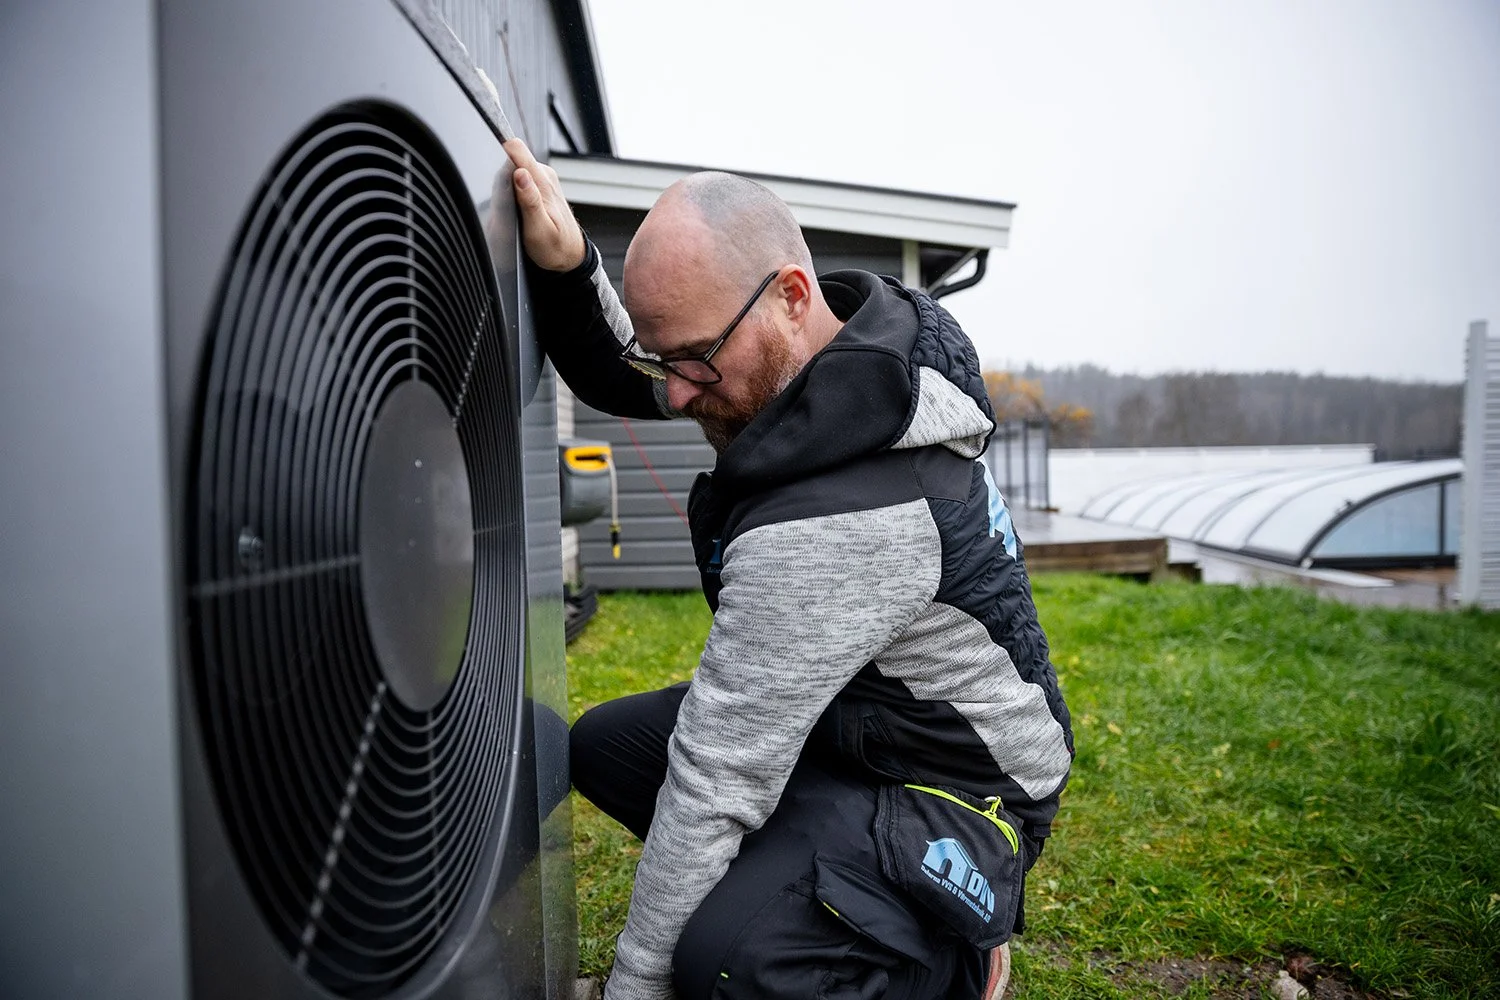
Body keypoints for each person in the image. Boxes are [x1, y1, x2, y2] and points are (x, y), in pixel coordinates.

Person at [504, 137, 1074, 1000]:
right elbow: (641, 373)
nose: (679, 393)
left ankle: (952, 957)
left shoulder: (845, 517)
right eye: (671, 361)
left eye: (694, 360)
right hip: (858, 727)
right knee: (605, 748)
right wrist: (571, 263)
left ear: (792, 296)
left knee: (723, 967)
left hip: (963, 792)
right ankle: (807, 880)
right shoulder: (849, 362)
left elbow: (717, 777)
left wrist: (633, 987)